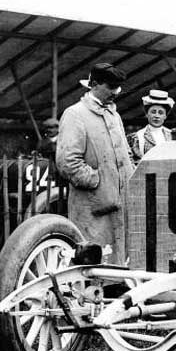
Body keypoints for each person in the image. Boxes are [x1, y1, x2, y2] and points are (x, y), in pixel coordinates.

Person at [56, 63, 134, 264]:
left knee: (116, 264)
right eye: (110, 87)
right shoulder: (75, 114)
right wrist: (97, 181)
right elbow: (68, 162)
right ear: (94, 84)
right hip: (91, 208)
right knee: (91, 264)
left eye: (117, 87)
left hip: (119, 206)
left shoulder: (114, 116)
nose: (115, 93)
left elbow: (125, 155)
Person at [128, 89, 174, 163]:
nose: (156, 116)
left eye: (161, 113)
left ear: (165, 116)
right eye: (153, 112)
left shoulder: (172, 135)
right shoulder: (138, 137)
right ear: (147, 114)